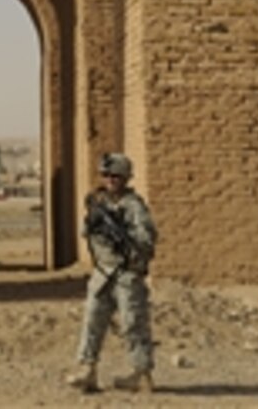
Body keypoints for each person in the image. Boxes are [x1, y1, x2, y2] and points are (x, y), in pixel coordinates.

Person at [65, 152, 158, 394]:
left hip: (127, 273)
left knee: (133, 323)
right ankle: (87, 370)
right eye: (106, 175)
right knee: (92, 320)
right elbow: (86, 234)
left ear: (126, 177)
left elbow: (148, 239)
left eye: (116, 175)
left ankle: (141, 373)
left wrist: (125, 241)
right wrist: (95, 225)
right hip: (103, 272)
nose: (110, 179)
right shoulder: (99, 203)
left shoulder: (134, 206)